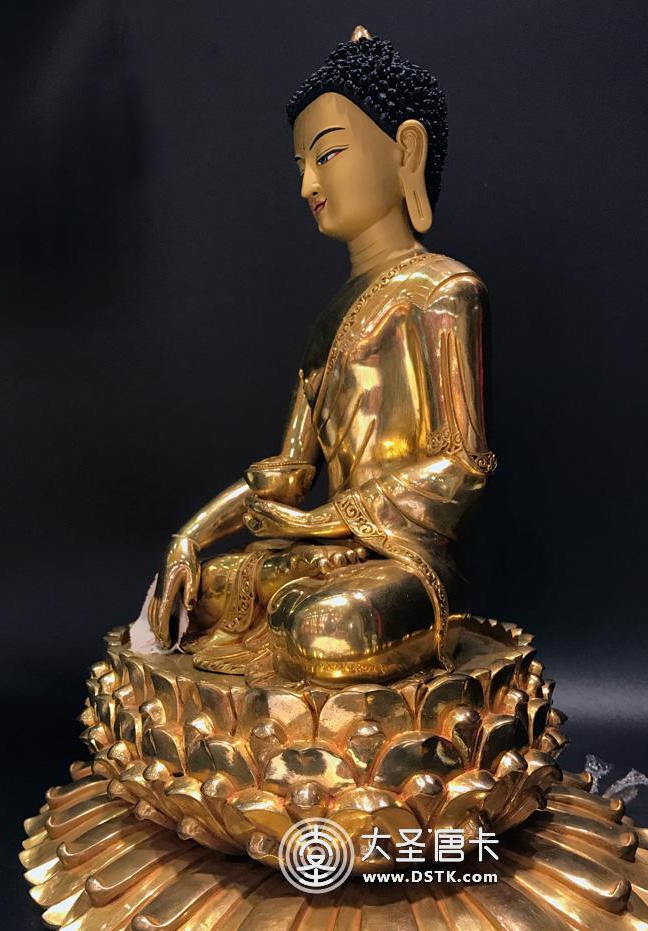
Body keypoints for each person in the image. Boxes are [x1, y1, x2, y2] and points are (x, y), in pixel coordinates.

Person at [145, 28, 495, 684]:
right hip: (324, 554)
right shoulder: (328, 323)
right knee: (202, 592)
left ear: (406, 151)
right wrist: (190, 536)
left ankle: (303, 651)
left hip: (403, 563)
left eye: (328, 154)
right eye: (301, 164)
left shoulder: (445, 291)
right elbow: (289, 471)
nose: (308, 182)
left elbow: (462, 463)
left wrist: (324, 523)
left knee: (326, 626)